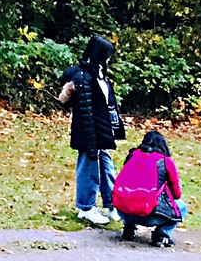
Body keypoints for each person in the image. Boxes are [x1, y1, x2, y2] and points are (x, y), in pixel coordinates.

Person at [57, 35, 121, 225]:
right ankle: (85, 207)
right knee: (88, 168)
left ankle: (112, 204)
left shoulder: (101, 75)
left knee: (107, 168)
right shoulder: (82, 76)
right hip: (87, 132)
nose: (108, 60)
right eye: (106, 56)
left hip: (102, 131)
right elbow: (70, 96)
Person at [112, 129, 186, 247]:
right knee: (182, 207)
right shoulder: (166, 161)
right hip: (150, 214)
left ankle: (129, 228)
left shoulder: (132, 155)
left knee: (131, 195)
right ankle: (161, 235)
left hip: (124, 210)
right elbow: (177, 194)